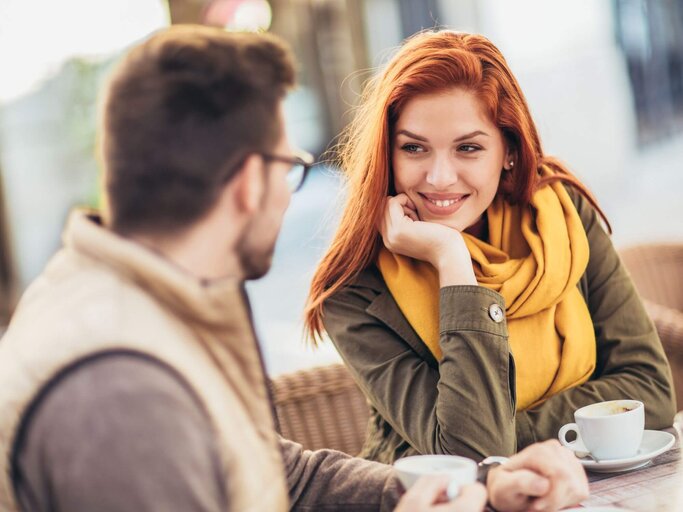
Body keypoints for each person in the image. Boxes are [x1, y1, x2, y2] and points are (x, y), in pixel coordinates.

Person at [0, 25, 587, 512]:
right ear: (250, 183)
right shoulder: (119, 392)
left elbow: (287, 476)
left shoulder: (148, 297)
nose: (289, 194)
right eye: (290, 166)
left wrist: (476, 486)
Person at [305, 29, 676, 464]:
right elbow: (472, 453)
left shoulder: (560, 214)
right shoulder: (357, 288)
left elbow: (651, 390)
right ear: (387, 154)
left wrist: (506, 431)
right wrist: (451, 260)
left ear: (509, 151)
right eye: (414, 148)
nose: (440, 177)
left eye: (468, 148)